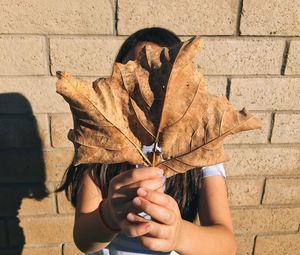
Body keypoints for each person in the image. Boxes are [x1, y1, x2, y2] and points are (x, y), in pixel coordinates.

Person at [55, 27, 237, 255]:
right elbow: (84, 240)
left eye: (160, 75)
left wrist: (179, 234)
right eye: (136, 73)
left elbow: (226, 246)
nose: (147, 86)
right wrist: (110, 215)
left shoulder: (197, 144)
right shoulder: (103, 140)